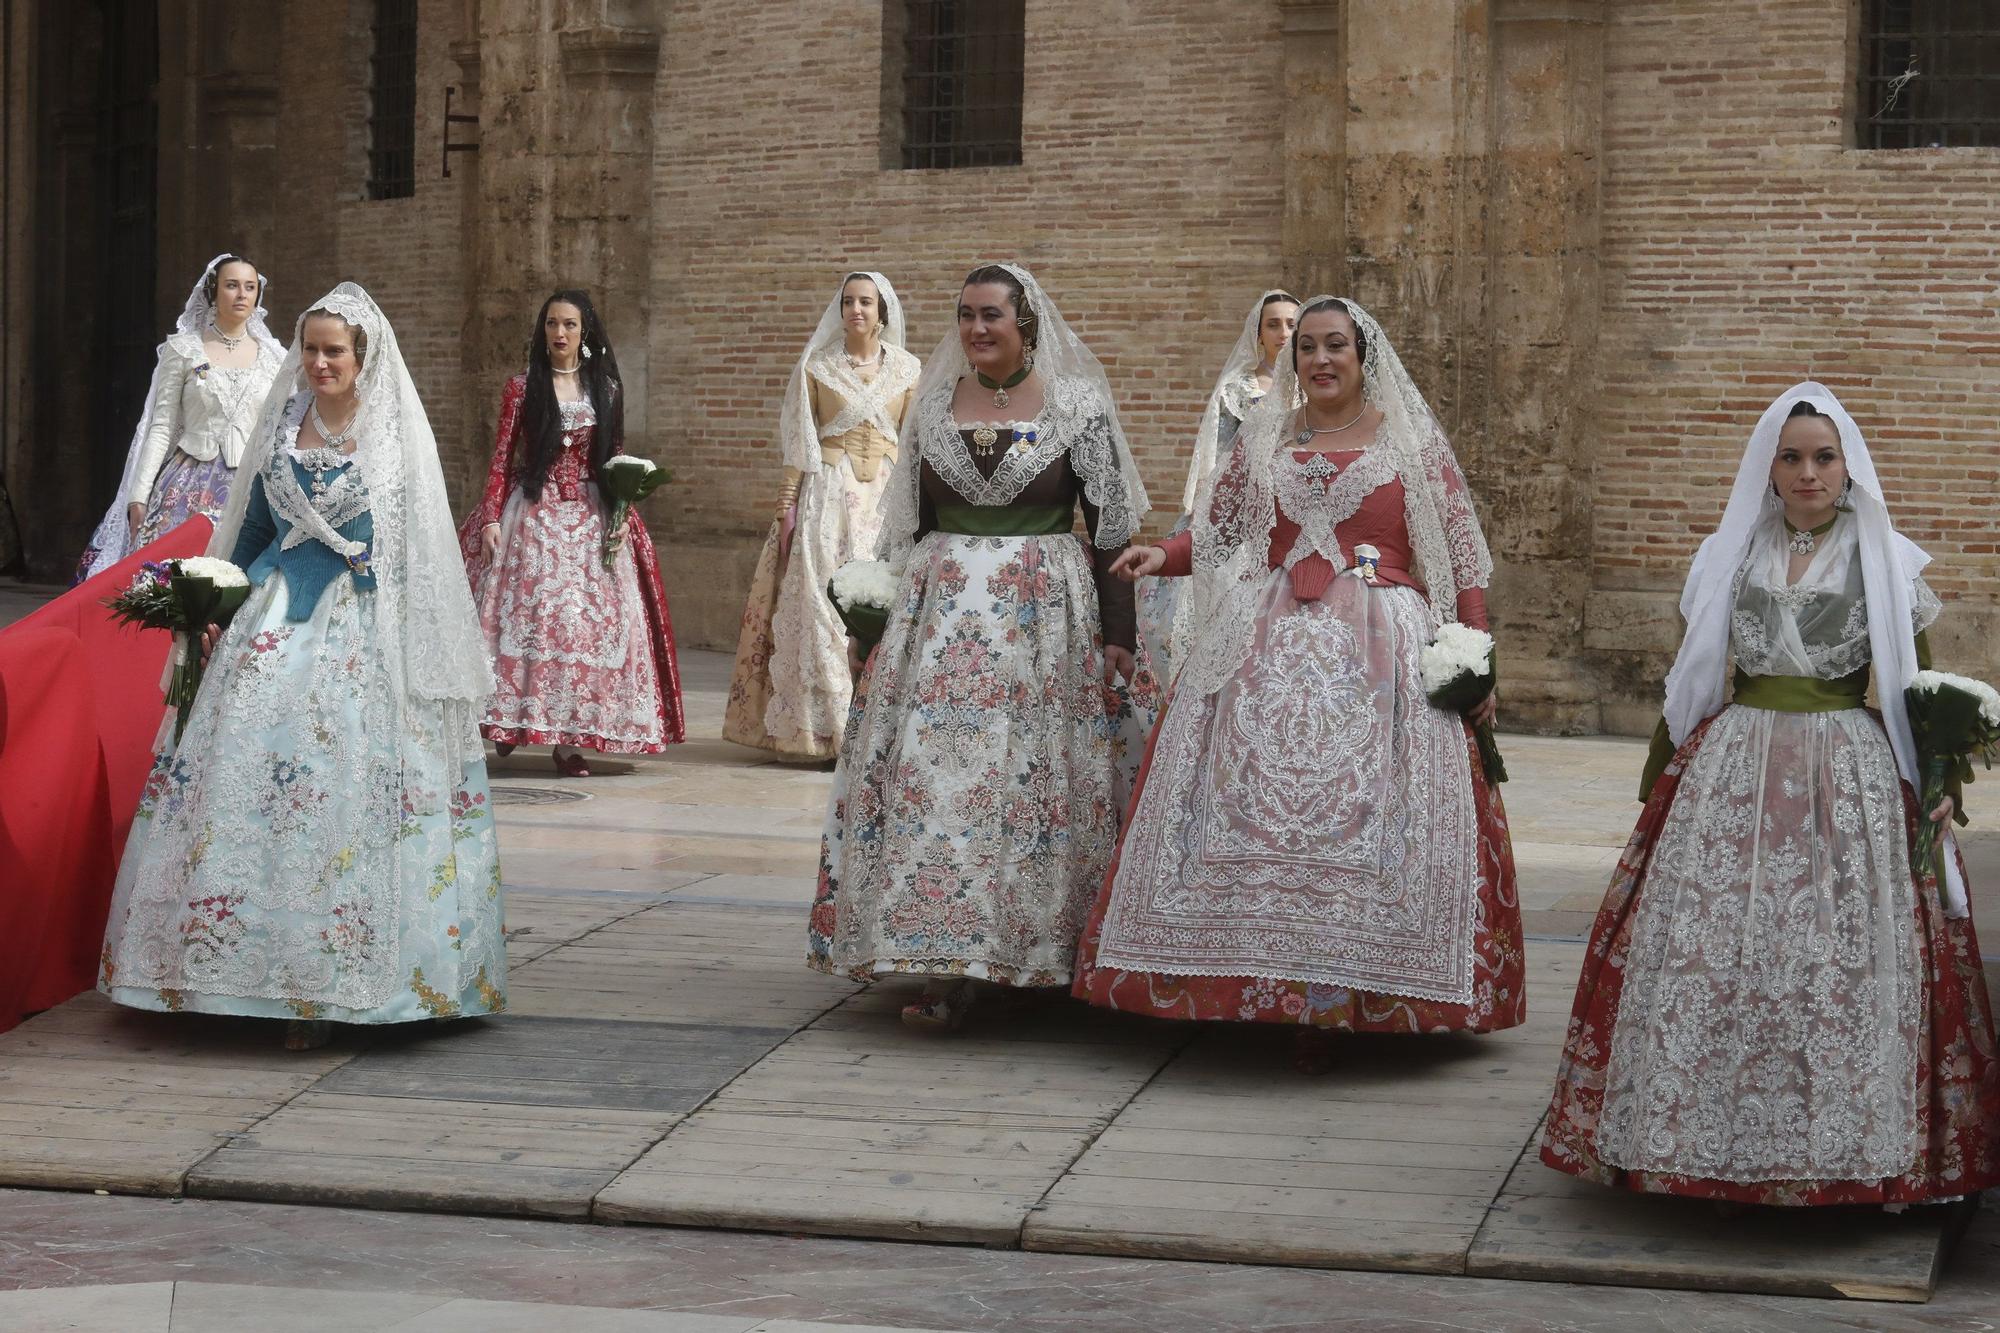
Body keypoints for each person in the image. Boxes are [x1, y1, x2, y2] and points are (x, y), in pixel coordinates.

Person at [1540, 382, 2000, 1205]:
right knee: (1719, 944)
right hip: (1735, 767)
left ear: (1848, 465)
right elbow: (1692, 680)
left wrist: (1935, 778)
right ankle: (1694, 1138)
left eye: (1824, 456)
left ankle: (1845, 1149)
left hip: (1848, 774)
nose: (1808, 472)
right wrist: (1662, 774)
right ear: (1769, 466)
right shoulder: (1730, 555)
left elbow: (1916, 680)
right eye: (1791, 457)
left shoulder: (1886, 559)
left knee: (1832, 949)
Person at [1072, 297, 1524, 1071]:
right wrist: (1165, 555)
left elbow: (1459, 550)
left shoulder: (1408, 439)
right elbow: (1221, 528)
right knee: (1251, 801)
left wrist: (1475, 652)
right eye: (1307, 347)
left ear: (1362, 354)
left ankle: (1350, 992)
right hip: (1266, 638)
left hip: (1381, 648)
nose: (1319, 359)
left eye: (1335, 346)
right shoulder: (1267, 436)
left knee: (1364, 810)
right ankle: (1260, 980)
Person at [97, 283, 505, 1050]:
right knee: (246, 780)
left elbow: (418, 547)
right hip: (273, 619)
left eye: (332, 351)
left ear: (362, 359)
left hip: (363, 629)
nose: (318, 363)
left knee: (343, 790)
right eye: (310, 349)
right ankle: (237, 970)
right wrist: (214, 601)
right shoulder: (284, 425)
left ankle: (338, 983)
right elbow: (252, 527)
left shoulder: (392, 438)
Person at [807, 262, 1158, 1031]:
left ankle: (1043, 950)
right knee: (938, 785)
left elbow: (1109, 532)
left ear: (1025, 322)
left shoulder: (1079, 406)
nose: (976, 328)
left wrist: (1120, 634)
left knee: (1031, 787)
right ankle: (937, 959)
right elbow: (901, 531)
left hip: (1043, 624)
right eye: (965, 315)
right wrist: (875, 623)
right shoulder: (932, 407)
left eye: (992, 314)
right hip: (939, 626)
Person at [459, 290, 684, 773]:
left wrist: (622, 513)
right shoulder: (520, 388)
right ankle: (515, 721)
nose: (559, 334)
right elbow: (502, 456)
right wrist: (493, 518)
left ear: (585, 334)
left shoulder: (605, 389)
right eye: (551, 325)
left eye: (569, 325)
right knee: (532, 619)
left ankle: (566, 740)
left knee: (583, 626)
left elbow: (614, 456)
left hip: (590, 513)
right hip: (534, 514)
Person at [725, 271, 921, 761]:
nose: (856, 310)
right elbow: (799, 441)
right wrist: (787, 503)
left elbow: (914, 441)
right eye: (849, 302)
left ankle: (877, 729)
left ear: (882, 312)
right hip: (828, 496)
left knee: (881, 602)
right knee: (821, 605)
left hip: (885, 498)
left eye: (866, 303)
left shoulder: (909, 369)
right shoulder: (818, 367)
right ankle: (822, 732)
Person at [75, 254, 283, 582]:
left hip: (252, 486)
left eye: (250, 287)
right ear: (214, 292)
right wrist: (139, 495)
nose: (242, 294)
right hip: (190, 483)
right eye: (232, 285)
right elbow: (161, 425)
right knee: (175, 581)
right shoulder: (184, 349)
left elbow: (283, 426)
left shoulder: (274, 357)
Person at [1136, 289, 1299, 678]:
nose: (1283, 332)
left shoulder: (1318, 389)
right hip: (1242, 511)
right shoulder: (1236, 390)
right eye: (1273, 324)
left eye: (1292, 324)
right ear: (1258, 334)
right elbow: (1217, 453)